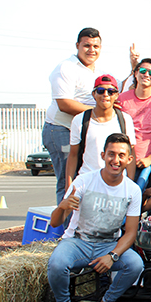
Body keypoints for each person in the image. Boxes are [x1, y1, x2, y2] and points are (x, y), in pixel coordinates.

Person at [47, 133, 144, 302]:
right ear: (102, 155)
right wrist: (62, 206)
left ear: (129, 159)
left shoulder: (133, 190)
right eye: (111, 154)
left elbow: (131, 233)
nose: (115, 160)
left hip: (108, 244)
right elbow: (55, 223)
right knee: (57, 264)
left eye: (121, 155)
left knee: (135, 265)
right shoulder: (83, 181)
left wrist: (112, 255)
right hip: (78, 242)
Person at [43, 27, 104, 204]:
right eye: (87, 45)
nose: (91, 50)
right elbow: (65, 104)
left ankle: (79, 227)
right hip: (61, 130)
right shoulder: (66, 67)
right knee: (67, 182)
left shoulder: (97, 72)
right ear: (77, 45)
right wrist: (98, 111)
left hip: (82, 132)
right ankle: (66, 229)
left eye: (96, 46)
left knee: (84, 179)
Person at [65, 75, 137, 189]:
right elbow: (73, 155)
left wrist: (130, 183)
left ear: (117, 95)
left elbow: (131, 153)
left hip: (116, 183)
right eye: (100, 91)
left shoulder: (125, 119)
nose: (105, 95)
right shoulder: (80, 120)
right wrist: (69, 187)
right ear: (94, 94)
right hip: (87, 183)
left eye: (111, 91)